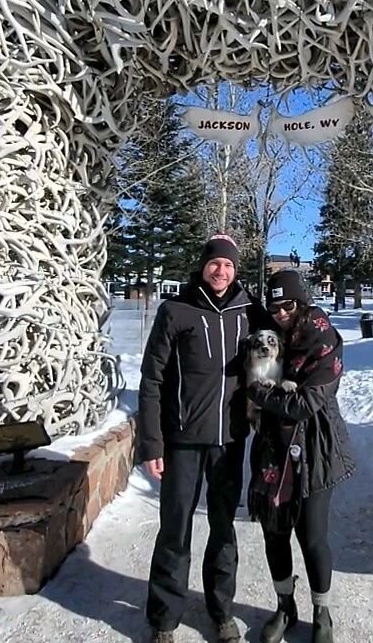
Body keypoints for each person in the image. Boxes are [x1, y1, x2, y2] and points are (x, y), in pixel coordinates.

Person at [137, 235, 268, 643]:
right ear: (204, 265)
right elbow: (151, 379)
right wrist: (152, 444)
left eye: (228, 265)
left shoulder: (249, 311)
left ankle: (221, 610)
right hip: (181, 442)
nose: (221, 271)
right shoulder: (176, 310)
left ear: (236, 270)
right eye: (215, 263)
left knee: (224, 527)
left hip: (229, 441)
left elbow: (286, 334)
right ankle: (164, 619)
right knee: (175, 530)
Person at [247, 270, 355, 643]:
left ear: (302, 302)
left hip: (315, 448)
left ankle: (321, 612)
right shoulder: (273, 335)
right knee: (274, 534)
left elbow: (305, 404)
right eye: (274, 306)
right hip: (272, 451)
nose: (280, 313)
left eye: (288, 304)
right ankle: (284, 606)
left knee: (312, 536)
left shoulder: (321, 336)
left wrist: (259, 396)